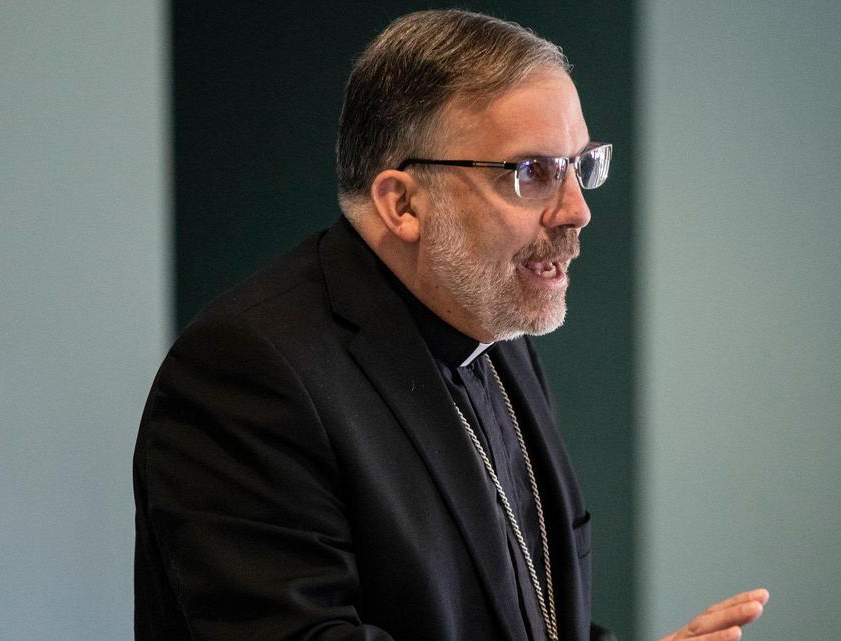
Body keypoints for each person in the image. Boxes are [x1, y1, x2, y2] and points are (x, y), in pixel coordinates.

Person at [133, 9, 768, 641]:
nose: (577, 211)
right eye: (533, 173)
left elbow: (533, 617)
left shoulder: (495, 337)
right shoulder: (249, 369)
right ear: (403, 202)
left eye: (580, 167)